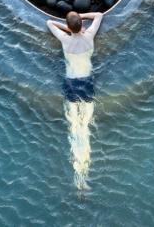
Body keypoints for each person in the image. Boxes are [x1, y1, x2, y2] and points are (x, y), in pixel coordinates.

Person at [46, 11, 103, 191]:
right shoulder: (89, 35)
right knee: (84, 127)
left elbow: (49, 23)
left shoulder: (65, 39)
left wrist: (68, 28)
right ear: (81, 24)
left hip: (71, 83)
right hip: (87, 83)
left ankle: (77, 174)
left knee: (74, 126)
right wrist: (82, 18)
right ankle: (84, 174)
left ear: (69, 27)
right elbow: (100, 15)